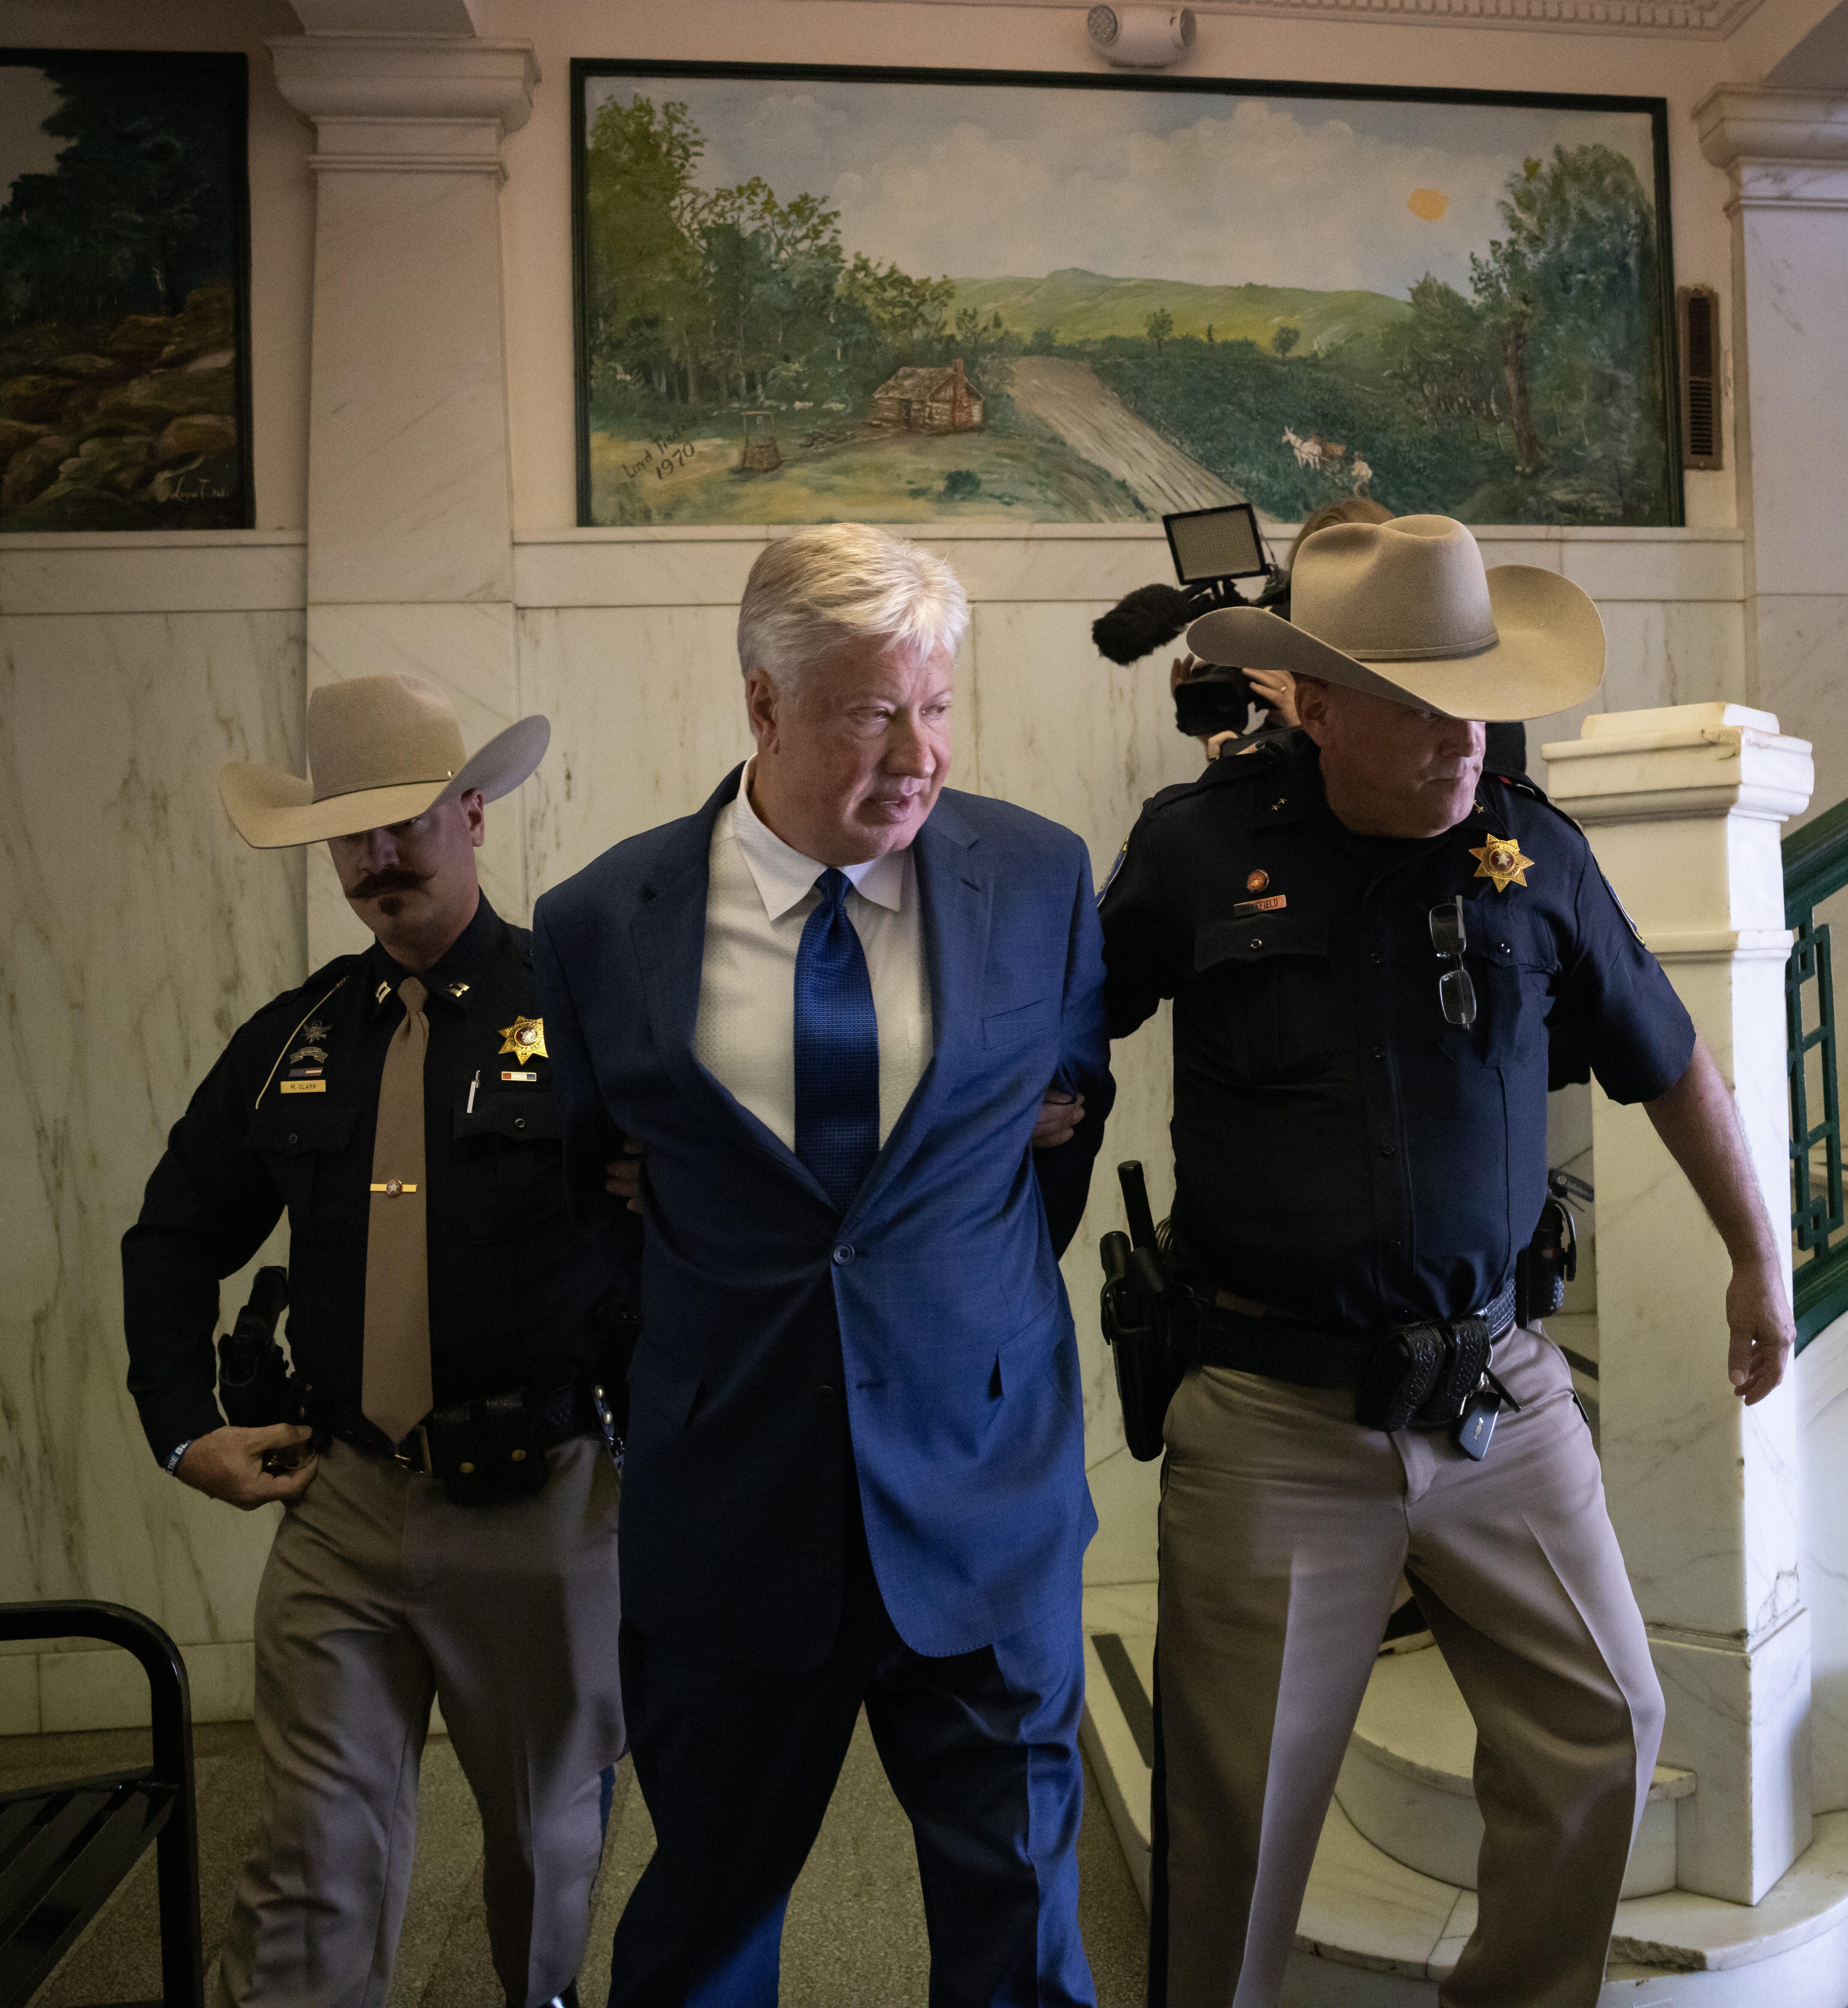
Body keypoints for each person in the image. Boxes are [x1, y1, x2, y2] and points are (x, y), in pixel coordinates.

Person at [1098, 514, 1794, 2008]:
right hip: (1274, 1415)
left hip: (1499, 1397)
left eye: (1470, 695)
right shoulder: (1197, 848)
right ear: (1312, 702)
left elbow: (1672, 1066)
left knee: (1603, 1719)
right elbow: (1057, 1040)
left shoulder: (1529, 850)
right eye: (1414, 706)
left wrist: (1759, 1256)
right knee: (1237, 1830)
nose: (1457, 736)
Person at [534, 522, 1116, 2006]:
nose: (916, 753)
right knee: (707, 1920)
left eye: (934, 705)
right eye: (870, 711)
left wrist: (955, 1324)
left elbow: (1052, 1132)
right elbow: (571, 1194)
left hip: (986, 1499)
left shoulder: (1040, 879)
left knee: (1022, 1931)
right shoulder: (600, 924)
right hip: (732, 1509)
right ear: (762, 704)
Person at [122, 674, 627, 2008]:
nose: (378, 857)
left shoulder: (580, 1016)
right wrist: (182, 1425)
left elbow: (687, 1226)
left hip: (542, 1500)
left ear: (471, 812)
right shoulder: (297, 1035)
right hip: (342, 1504)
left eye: (404, 821)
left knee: (544, 1854)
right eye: (350, 833)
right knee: (305, 1863)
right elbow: (173, 1232)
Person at [1171, 498, 1392, 757]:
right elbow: (1267, 790)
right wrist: (1211, 732)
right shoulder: (1292, 642)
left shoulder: (1397, 683)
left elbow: (1376, 783)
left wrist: (1305, 724)